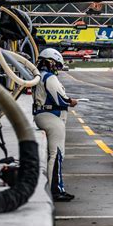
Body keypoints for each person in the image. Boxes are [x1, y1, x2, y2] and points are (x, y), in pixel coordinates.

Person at [32, 48, 78, 202]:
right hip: (51, 116)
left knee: (53, 154)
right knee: (57, 154)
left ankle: (55, 187)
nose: (56, 68)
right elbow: (61, 99)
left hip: (41, 114)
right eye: (56, 65)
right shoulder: (49, 78)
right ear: (50, 61)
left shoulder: (39, 76)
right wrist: (71, 101)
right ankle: (56, 189)